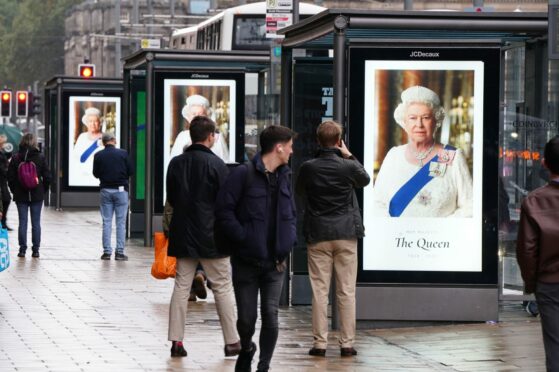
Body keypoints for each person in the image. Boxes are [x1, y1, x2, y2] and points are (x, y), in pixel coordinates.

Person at [215, 125, 297, 372]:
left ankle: (264, 366)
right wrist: (243, 237)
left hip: (276, 261)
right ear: (279, 147)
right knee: (247, 319)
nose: (292, 152)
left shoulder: (285, 175)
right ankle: (247, 347)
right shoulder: (243, 174)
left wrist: (289, 239)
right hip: (247, 261)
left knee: (271, 314)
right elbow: (224, 211)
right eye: (290, 146)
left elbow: (291, 212)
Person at [166, 116, 240, 358]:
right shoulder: (218, 165)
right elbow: (226, 202)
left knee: (181, 286)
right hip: (212, 236)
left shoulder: (175, 164)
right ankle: (232, 341)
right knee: (222, 287)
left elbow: (173, 199)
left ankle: (176, 342)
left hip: (183, 233)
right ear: (211, 136)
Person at [295, 120, 370, 358]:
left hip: (318, 235)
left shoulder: (309, 167)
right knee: (346, 291)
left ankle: (320, 344)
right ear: (339, 141)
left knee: (319, 291)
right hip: (346, 233)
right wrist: (349, 156)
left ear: (318, 140)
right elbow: (365, 179)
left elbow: (299, 191)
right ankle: (347, 344)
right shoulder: (347, 167)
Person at [373, 85, 473, 218]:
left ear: (436, 121)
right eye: (413, 118)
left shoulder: (453, 157)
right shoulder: (393, 156)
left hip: (440, 238)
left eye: (426, 117)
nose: (419, 124)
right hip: (399, 237)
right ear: (404, 122)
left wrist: (441, 229)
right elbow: (377, 204)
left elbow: (470, 206)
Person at [517, 135, 559, 372]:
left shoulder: (534, 202)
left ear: (544, 163)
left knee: (555, 346)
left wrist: (532, 284)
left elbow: (527, 249)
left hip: (550, 284)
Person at [7, 133, 50, 258]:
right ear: (34, 142)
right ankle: (35, 250)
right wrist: (43, 190)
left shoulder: (15, 158)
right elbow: (47, 177)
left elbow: (10, 177)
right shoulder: (40, 157)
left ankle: (22, 249)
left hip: (21, 194)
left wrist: (14, 190)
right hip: (37, 194)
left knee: (23, 222)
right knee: (36, 223)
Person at [92, 132, 133, 261]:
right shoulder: (123, 153)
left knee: (107, 222)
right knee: (121, 222)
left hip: (105, 190)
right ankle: (120, 252)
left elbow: (96, 173)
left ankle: (107, 252)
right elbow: (130, 171)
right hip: (121, 191)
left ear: (104, 142)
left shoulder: (98, 155)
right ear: (114, 140)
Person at [162, 199, 209, 302]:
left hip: (180, 228)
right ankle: (201, 274)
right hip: (203, 226)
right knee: (201, 253)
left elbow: (169, 206)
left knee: (186, 262)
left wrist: (167, 229)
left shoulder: (178, 183)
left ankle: (190, 292)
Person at [170, 94, 229, 160]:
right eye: (194, 114)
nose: (197, 117)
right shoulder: (182, 137)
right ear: (188, 117)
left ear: (207, 117)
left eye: (201, 114)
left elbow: (225, 164)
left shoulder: (217, 137)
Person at [0, 135, 12, 230]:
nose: (5, 144)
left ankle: (3, 221)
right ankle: (2, 221)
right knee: (5, 200)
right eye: (3, 142)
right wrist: (6, 170)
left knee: (6, 200)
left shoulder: (2, 152)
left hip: (3, 181)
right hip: (1, 180)